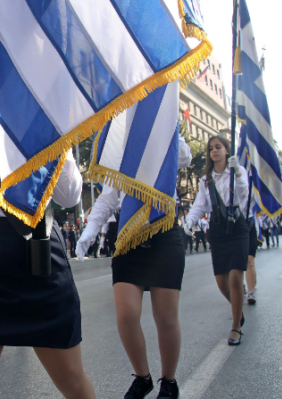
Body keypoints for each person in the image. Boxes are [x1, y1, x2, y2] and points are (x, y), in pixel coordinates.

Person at [0, 42, 96, 398]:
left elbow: (70, 197)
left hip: (38, 259)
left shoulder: (41, 129)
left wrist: (53, 137)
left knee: (73, 384)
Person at [76, 134, 191, 399]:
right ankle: (143, 377)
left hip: (163, 233)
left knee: (166, 317)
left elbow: (184, 158)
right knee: (126, 315)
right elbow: (108, 198)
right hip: (128, 236)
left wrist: (169, 119)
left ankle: (169, 382)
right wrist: (90, 231)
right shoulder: (119, 145)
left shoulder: (161, 126)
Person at [184, 135, 250, 346]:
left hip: (237, 225)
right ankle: (237, 309)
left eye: (218, 147)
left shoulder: (237, 172)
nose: (214, 151)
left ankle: (236, 327)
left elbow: (244, 196)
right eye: (211, 148)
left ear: (227, 151)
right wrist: (190, 220)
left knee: (235, 278)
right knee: (222, 283)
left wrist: (237, 172)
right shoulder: (206, 179)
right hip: (218, 229)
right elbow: (200, 204)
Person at [246, 217, 260, 305]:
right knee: (237, 262)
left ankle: (251, 292)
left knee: (250, 261)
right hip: (234, 229)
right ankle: (241, 283)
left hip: (250, 227)